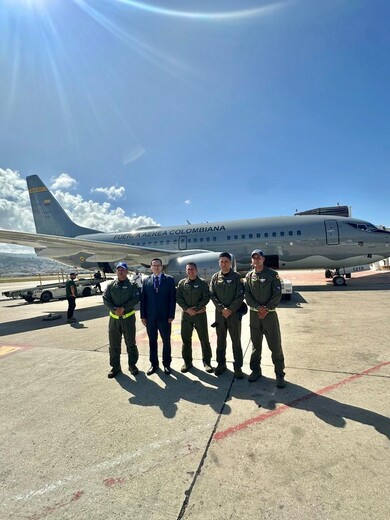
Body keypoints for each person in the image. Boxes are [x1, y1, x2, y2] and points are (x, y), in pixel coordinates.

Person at [244, 249, 286, 388]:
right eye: (254, 258)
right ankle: (256, 371)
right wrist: (258, 307)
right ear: (252, 260)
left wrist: (266, 309)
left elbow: (277, 293)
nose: (256, 260)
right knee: (256, 345)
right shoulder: (249, 276)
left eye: (259, 257)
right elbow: (247, 295)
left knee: (275, 345)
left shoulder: (272, 275)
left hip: (270, 315)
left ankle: (279, 374)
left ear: (263, 259)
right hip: (255, 315)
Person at [209, 252, 245, 378]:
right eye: (222, 261)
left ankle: (238, 367)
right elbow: (212, 295)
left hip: (233, 315)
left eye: (226, 262)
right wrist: (221, 309)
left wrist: (230, 309)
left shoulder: (237, 277)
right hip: (220, 315)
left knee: (236, 341)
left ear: (230, 263)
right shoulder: (215, 277)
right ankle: (221, 364)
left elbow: (240, 295)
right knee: (220, 341)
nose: (224, 264)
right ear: (219, 263)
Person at [103, 261, 140, 379]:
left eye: (123, 269)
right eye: (118, 269)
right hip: (114, 320)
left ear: (127, 271)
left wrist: (123, 308)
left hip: (128, 319)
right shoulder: (110, 285)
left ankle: (132, 365)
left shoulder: (132, 285)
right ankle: (115, 367)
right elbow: (105, 299)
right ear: (116, 271)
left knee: (131, 343)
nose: (120, 271)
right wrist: (114, 310)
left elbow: (135, 299)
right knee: (114, 344)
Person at [176, 262, 214, 373]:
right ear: (186, 271)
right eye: (188, 269)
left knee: (204, 339)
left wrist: (196, 309)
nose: (190, 271)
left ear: (196, 270)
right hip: (186, 316)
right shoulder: (182, 284)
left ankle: (207, 362)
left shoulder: (202, 283)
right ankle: (187, 363)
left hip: (200, 315)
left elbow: (206, 297)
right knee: (186, 339)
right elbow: (179, 298)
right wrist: (188, 309)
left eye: (192, 269)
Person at [140, 258, 176, 375]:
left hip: (165, 317)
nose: (156, 267)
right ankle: (154, 364)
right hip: (150, 318)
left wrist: (171, 315)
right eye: (154, 265)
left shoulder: (169, 280)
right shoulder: (146, 281)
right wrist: (143, 316)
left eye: (158, 265)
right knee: (152, 341)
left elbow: (172, 299)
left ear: (162, 267)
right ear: (151, 267)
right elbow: (143, 301)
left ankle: (167, 364)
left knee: (166, 341)